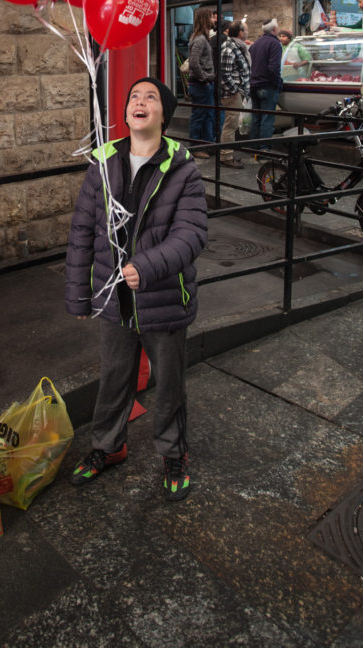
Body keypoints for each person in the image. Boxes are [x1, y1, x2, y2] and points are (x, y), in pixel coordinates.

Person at [65, 77, 208, 501]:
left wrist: (144, 267)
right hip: (113, 298)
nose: (139, 102)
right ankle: (108, 447)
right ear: (125, 113)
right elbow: (82, 232)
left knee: (168, 384)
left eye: (150, 98)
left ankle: (173, 453)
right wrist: (78, 293)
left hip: (162, 297)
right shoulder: (102, 165)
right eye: (133, 97)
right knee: (113, 377)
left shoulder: (183, 170)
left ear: (164, 113)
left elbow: (191, 235)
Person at [218, 20, 251, 169]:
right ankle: (226, 156)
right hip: (232, 94)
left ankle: (228, 153)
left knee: (232, 124)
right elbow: (224, 73)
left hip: (237, 92)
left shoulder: (237, 46)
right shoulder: (229, 48)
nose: (248, 32)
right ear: (240, 32)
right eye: (246, 30)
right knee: (230, 125)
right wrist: (235, 90)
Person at [249, 17, 283, 151]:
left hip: (254, 84)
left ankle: (254, 147)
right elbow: (273, 69)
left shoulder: (255, 44)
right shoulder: (275, 44)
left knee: (256, 117)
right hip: (267, 85)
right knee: (267, 118)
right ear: (274, 29)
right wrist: (277, 84)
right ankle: (264, 148)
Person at [187, 5, 216, 157]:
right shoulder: (199, 39)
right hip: (200, 85)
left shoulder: (203, 38)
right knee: (199, 116)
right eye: (211, 16)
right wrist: (204, 79)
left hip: (203, 84)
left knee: (206, 115)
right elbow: (194, 62)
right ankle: (196, 148)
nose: (214, 19)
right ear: (205, 19)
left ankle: (204, 146)